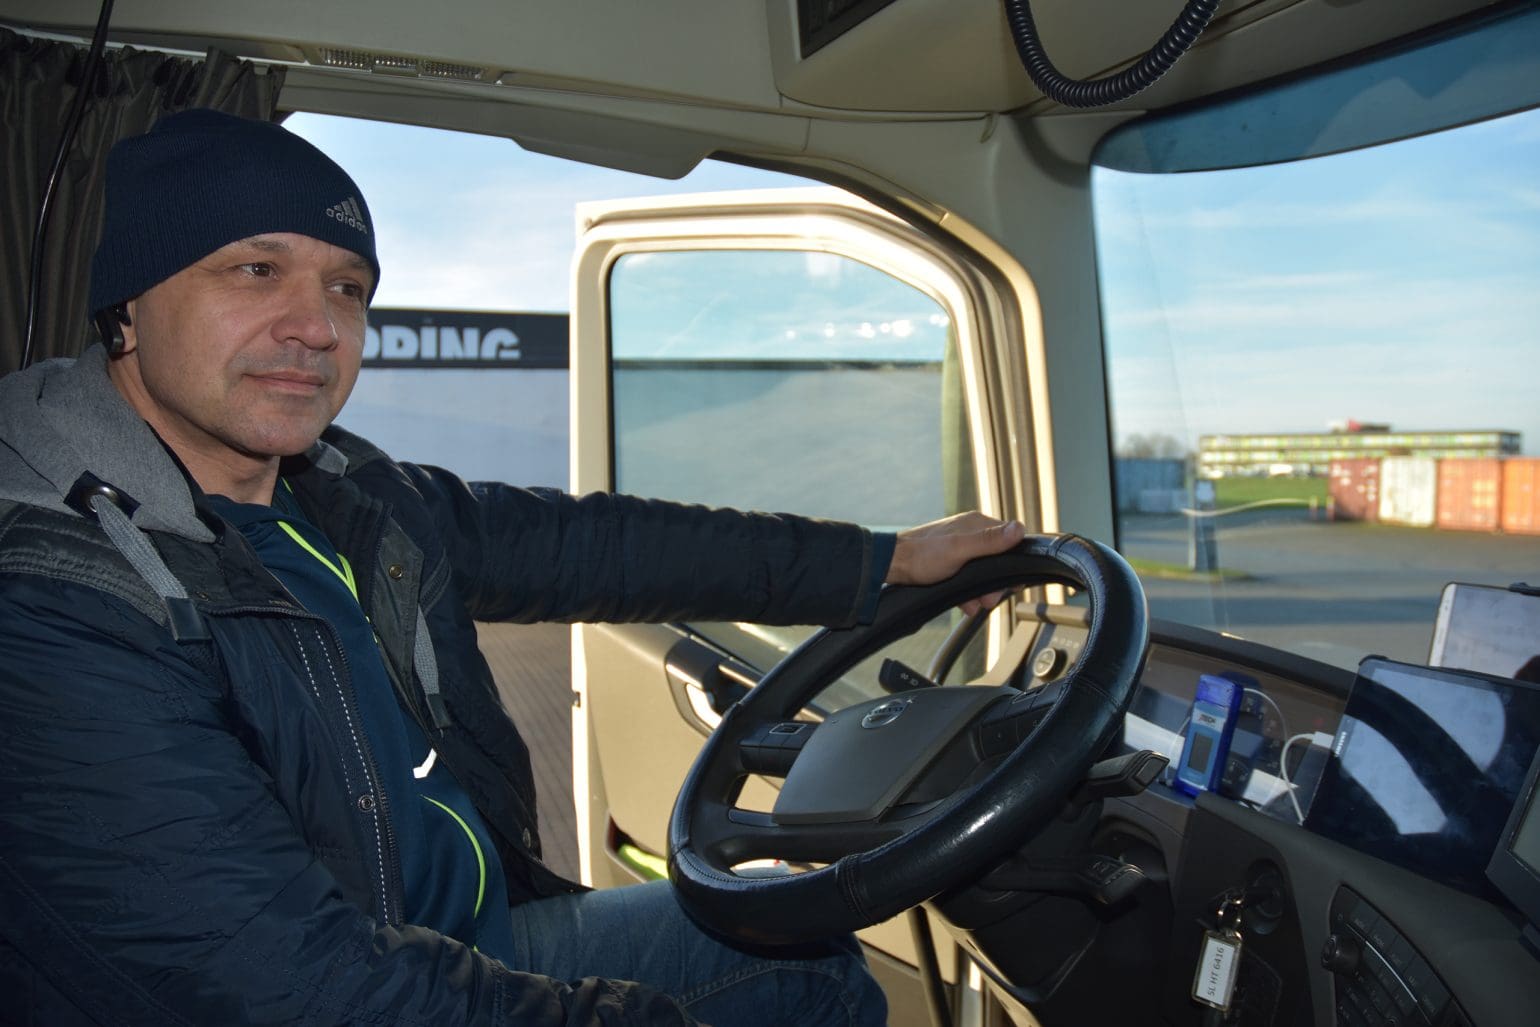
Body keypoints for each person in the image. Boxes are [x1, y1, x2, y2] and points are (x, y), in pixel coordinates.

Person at [0, 109, 1025, 1025]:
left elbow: (596, 545)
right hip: (352, 979)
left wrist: (880, 560)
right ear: (127, 308)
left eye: (347, 288)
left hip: (457, 931)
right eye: (255, 270)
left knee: (799, 947)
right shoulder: (58, 593)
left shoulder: (340, 495)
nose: (316, 327)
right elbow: (281, 983)